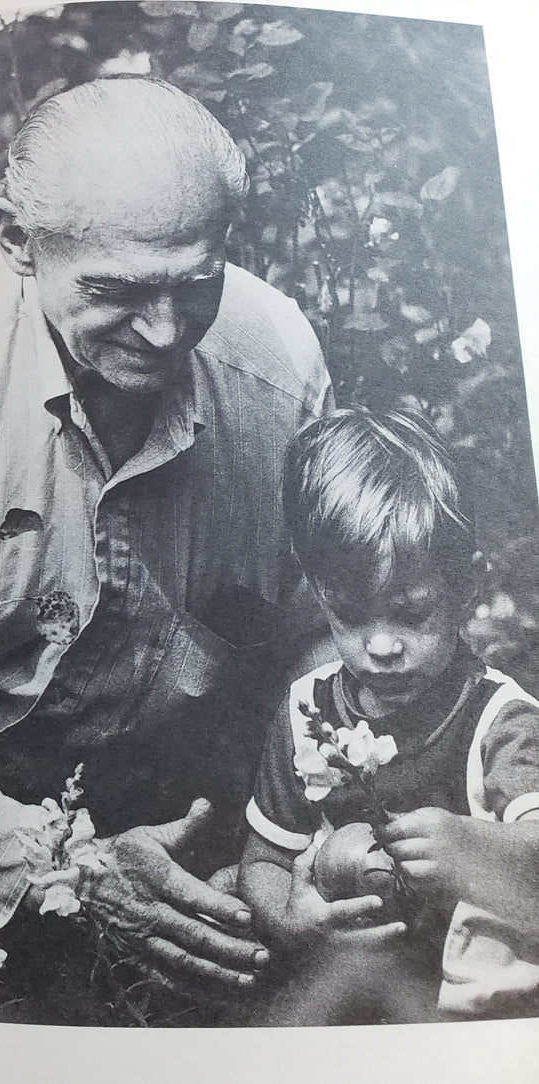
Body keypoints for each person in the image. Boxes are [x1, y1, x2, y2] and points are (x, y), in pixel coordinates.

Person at [0, 76, 331, 998]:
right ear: (14, 241)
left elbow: (320, 639)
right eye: (115, 291)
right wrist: (52, 869)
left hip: (198, 825)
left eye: (196, 286)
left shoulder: (278, 367)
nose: (162, 332)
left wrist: (289, 840)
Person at [239, 407, 539, 1022]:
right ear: (318, 595)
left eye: (411, 613)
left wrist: (475, 848)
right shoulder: (311, 711)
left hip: (472, 1011)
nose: (381, 647)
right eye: (350, 615)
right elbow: (264, 859)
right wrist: (294, 922)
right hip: (352, 979)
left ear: (467, 587)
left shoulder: (499, 722)